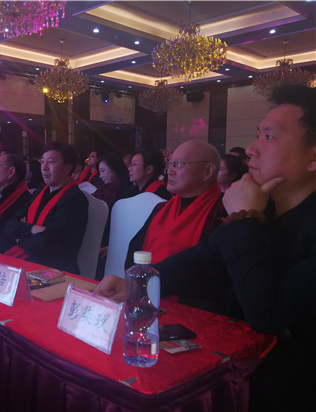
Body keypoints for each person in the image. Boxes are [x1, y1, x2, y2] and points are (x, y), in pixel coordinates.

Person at [94, 85, 316, 410]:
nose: (251, 149)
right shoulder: (266, 208)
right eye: (257, 135)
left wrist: (243, 219)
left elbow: (268, 313)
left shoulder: (259, 213)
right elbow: (205, 257)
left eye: (270, 137)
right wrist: (139, 282)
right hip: (232, 374)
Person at [124, 140, 224, 268]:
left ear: (208, 171)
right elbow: (135, 250)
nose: (170, 171)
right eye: (170, 163)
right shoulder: (161, 209)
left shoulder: (222, 212)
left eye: (178, 164)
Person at [4, 141, 88, 274]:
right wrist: (32, 228)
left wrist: (20, 236)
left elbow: (45, 242)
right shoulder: (40, 192)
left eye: (51, 162)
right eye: (42, 161)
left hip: (56, 271)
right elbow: (9, 225)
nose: (44, 167)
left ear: (67, 168)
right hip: (29, 262)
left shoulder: (75, 199)